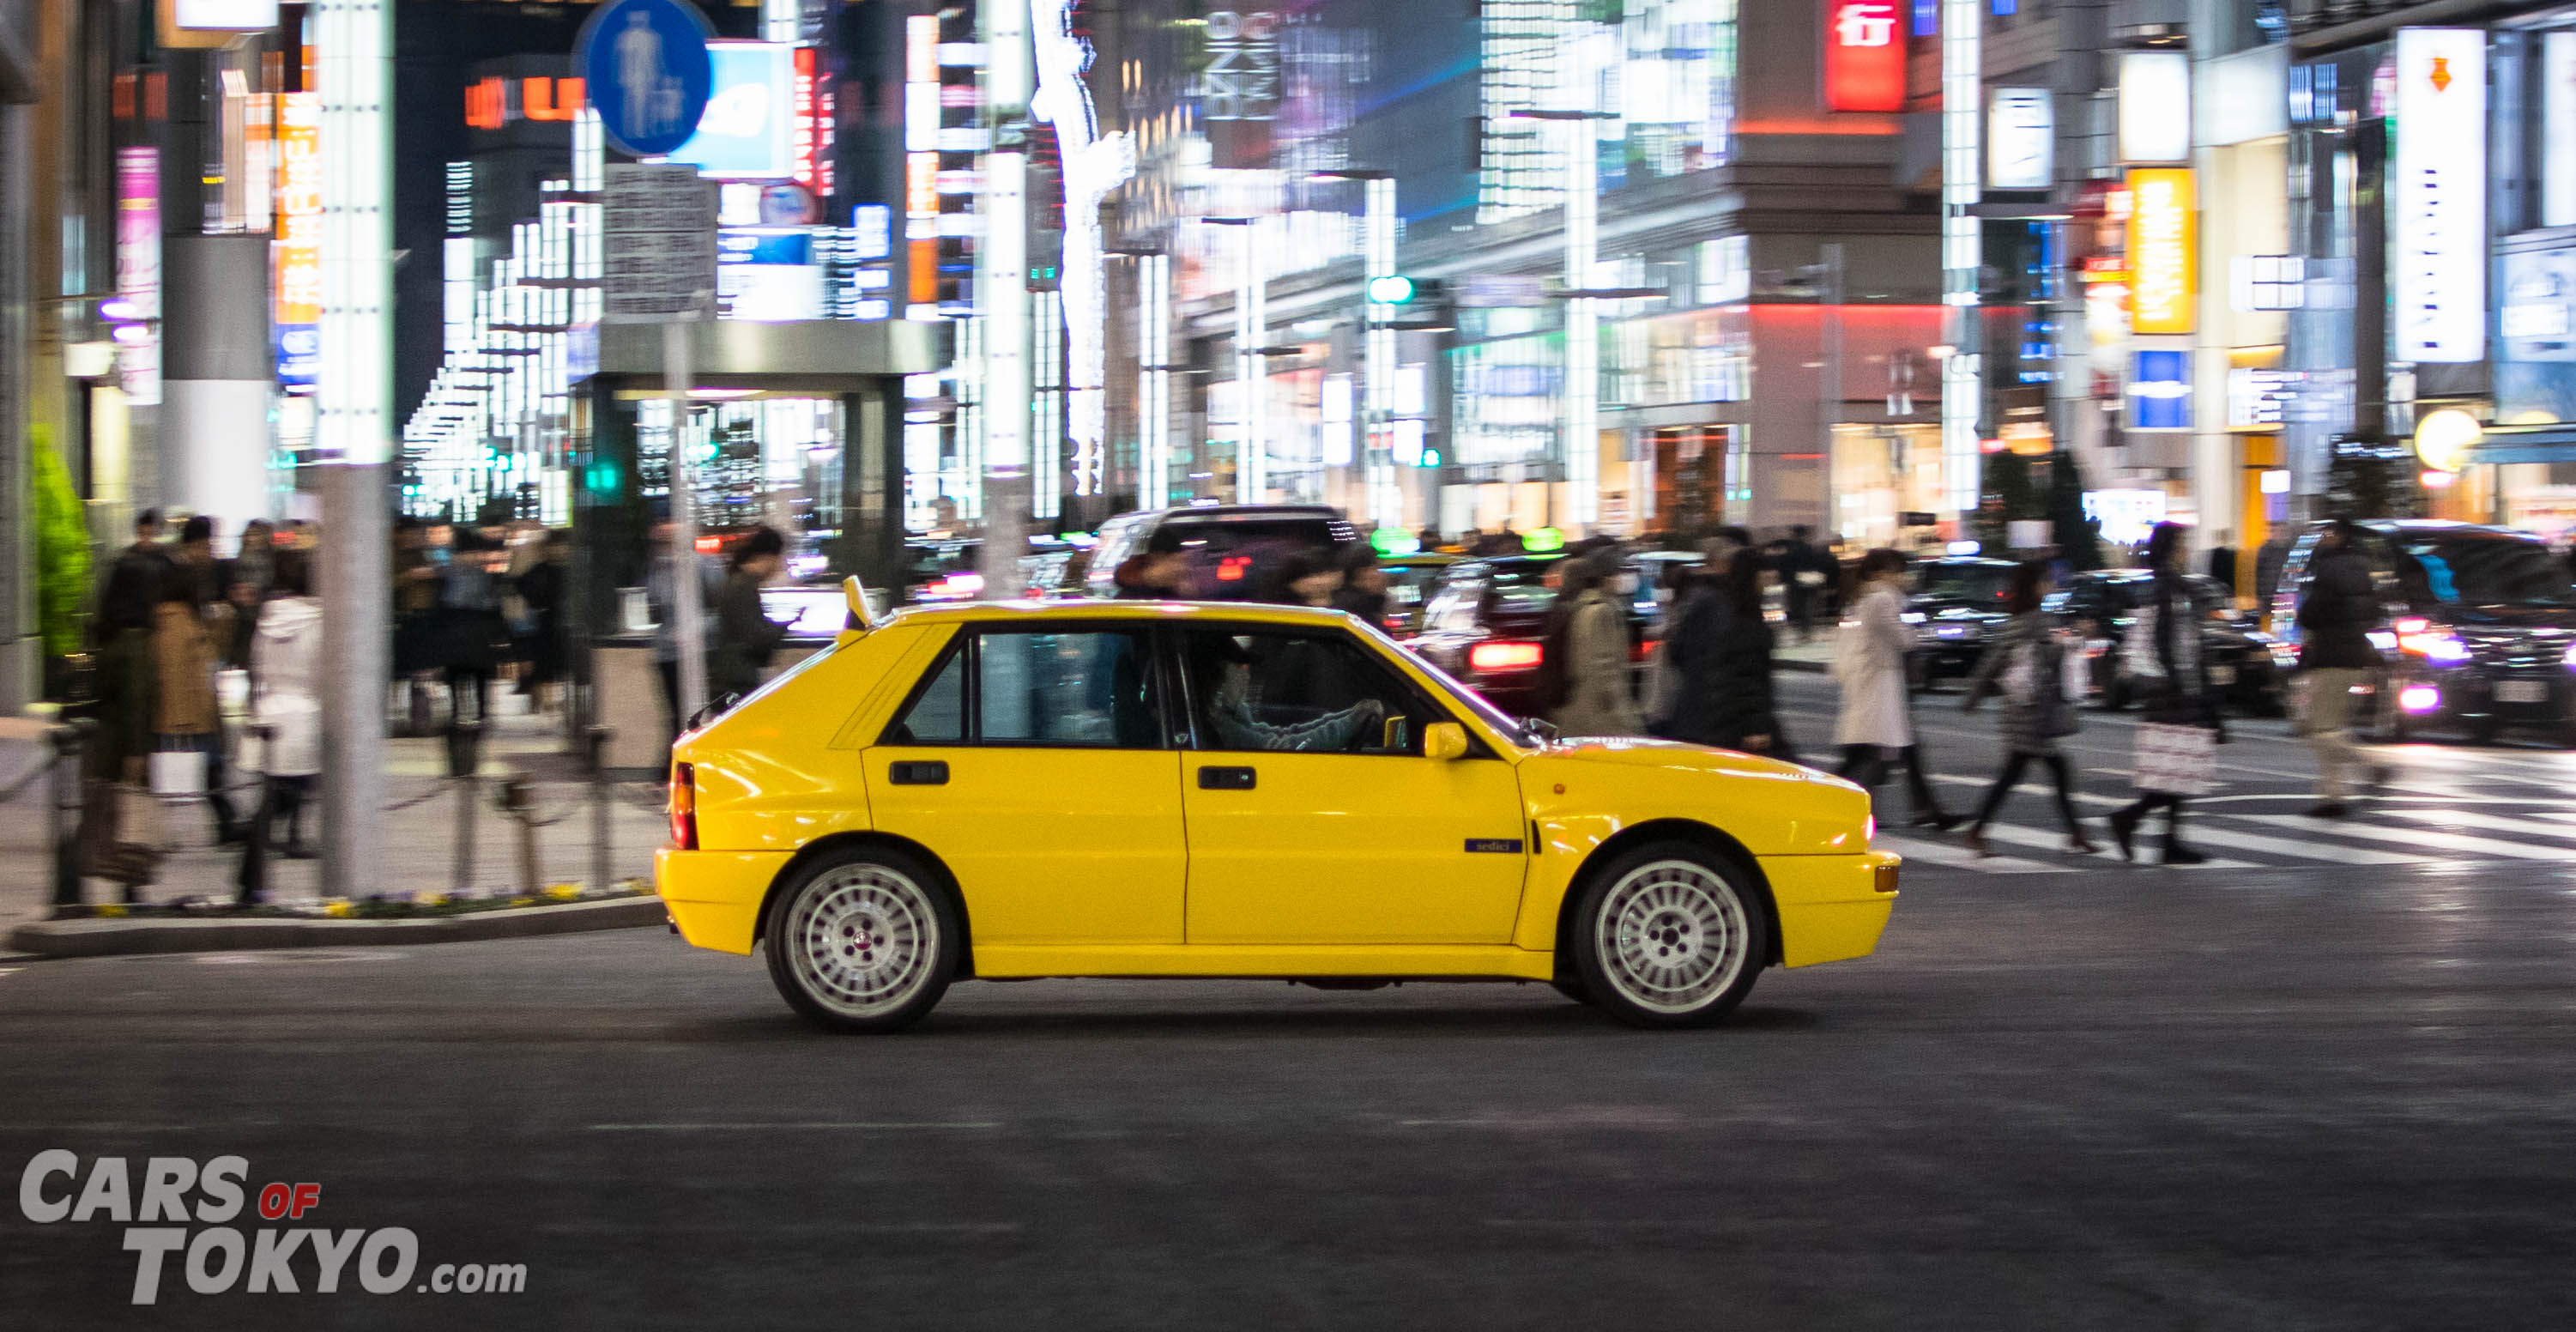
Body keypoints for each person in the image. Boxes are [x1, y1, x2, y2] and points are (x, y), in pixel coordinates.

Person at [2107, 522, 2225, 863]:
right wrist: (2183, 686)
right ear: (2172, 548)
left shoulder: (2166, 586)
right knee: (2177, 770)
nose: (2187, 549)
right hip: (2173, 691)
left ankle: (2165, 838)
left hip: (2173, 689)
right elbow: (2169, 642)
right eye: (2183, 543)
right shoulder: (2166, 588)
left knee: (2178, 770)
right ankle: (2132, 821)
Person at [1960, 562, 2096, 857]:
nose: (2049, 585)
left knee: (2022, 771)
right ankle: (1979, 829)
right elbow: (2048, 657)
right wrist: (2074, 640)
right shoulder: (2036, 620)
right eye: (2045, 580)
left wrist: (1973, 696)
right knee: (2044, 770)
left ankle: (1980, 829)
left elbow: (1993, 662)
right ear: (2035, 586)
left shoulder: (2017, 620)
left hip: (2019, 710)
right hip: (2032, 713)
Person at [1833, 548, 1961, 830]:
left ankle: (1923, 808)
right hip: (1879, 685)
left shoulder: (1867, 598)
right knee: (1873, 755)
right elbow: (1902, 638)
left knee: (1894, 750)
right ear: (1879, 573)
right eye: (1897, 571)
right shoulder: (1881, 599)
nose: (1903, 577)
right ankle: (1840, 808)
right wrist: (1917, 634)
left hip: (1876, 684)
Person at [238, 550, 324, 900]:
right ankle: (272, 841)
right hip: (305, 711)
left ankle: (262, 849)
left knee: (275, 789)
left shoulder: (266, 619)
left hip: (271, 711)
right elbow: (322, 669)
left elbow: (256, 666)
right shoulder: (318, 620)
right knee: (292, 791)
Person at [2293, 518, 2390, 817]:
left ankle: (2371, 765)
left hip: (2330, 658)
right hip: (2356, 656)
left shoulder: (2329, 570)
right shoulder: (2362, 570)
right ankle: (2332, 797)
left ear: (2339, 537)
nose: (2324, 538)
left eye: (2328, 533)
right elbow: (2374, 614)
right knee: (2333, 727)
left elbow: (2310, 615)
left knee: (2319, 729)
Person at [152, 523, 243, 843]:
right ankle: (224, 821)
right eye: (205, 545)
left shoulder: (184, 617)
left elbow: (208, 652)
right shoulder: (176, 621)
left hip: (191, 709)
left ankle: (225, 820)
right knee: (205, 765)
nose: (209, 553)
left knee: (209, 765)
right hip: (187, 712)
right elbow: (179, 670)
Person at [1660, 548, 1792, 758]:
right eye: (1767, 575)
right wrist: (1754, 725)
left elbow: (1676, 652)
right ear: (1754, 576)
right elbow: (1746, 675)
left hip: (1694, 717)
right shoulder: (1743, 616)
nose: (1770, 582)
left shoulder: (1705, 602)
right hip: (1730, 725)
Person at [92, 509, 172, 784]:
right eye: (145, 531)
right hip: (141, 638)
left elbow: (105, 603)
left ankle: (116, 765)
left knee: (123, 703)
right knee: (140, 701)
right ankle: (138, 763)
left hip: (122, 637)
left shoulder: (122, 561)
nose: (147, 537)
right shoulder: (162, 563)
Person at [1548, 552, 1644, 738]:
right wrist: (1624, 716)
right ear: (1605, 578)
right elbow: (1602, 667)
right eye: (1617, 574)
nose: (1621, 579)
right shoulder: (1600, 611)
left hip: (1587, 706)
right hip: (1599, 710)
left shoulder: (1588, 606)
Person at [707, 525, 791, 707]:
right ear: (769, 557)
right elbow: (756, 637)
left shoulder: (738, 581)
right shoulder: (743, 587)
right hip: (736, 684)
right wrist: (787, 625)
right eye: (780, 559)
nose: (780, 566)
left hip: (730, 681)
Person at [515, 529, 571, 713]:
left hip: (549, 621)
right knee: (548, 664)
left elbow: (520, 585)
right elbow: (520, 585)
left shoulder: (543, 570)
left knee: (550, 664)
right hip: (550, 622)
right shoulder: (551, 570)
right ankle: (546, 703)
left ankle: (546, 703)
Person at [1778, 524, 1835, 643]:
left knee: (1797, 606)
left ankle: (1801, 630)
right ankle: (1807, 630)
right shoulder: (1809, 548)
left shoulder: (1790, 549)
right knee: (1807, 605)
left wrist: (1784, 579)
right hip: (1809, 580)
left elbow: (1785, 566)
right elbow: (1816, 563)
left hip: (1794, 581)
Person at [1112, 527, 1193, 599]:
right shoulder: (1129, 600)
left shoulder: (1179, 594)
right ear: (1156, 558)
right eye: (1175, 561)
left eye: (1182, 561)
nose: (1180, 568)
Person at [1331, 543, 1391, 628]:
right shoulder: (1357, 609)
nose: (1383, 575)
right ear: (1361, 573)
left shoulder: (1372, 603)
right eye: (1378, 568)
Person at [2206, 530, 2240, 603]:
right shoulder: (2232, 552)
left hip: (2222, 588)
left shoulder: (2217, 552)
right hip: (2226, 588)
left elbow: (2213, 571)